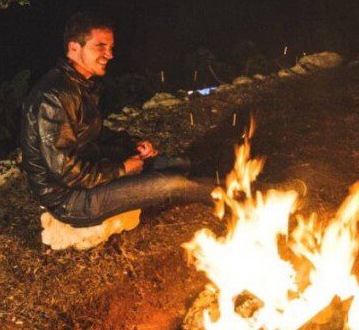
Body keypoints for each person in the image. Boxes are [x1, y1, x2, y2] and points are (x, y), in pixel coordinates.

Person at [20, 12, 215, 229]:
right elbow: (66, 172)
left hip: (91, 167)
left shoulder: (81, 84)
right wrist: (121, 169)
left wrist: (132, 144)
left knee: (177, 163)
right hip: (70, 199)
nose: (109, 55)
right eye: (100, 46)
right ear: (74, 48)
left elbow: (93, 132)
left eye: (110, 48)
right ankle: (231, 196)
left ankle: (220, 178)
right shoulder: (54, 96)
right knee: (171, 184)